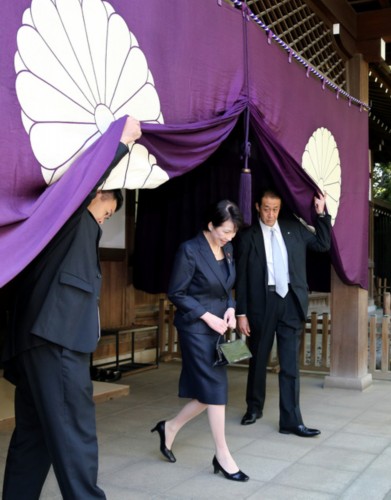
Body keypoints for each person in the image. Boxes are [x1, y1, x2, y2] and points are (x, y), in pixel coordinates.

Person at [2, 116, 142, 499]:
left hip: (35, 339)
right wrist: (122, 143)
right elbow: (84, 182)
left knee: (36, 437)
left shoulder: (51, 222)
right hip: (56, 338)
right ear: (101, 197)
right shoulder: (70, 215)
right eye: (109, 208)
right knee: (75, 438)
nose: (106, 216)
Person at [151, 200, 249, 482]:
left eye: (233, 233)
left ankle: (169, 427)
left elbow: (227, 287)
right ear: (210, 225)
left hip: (219, 327)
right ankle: (223, 455)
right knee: (216, 389)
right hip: (196, 328)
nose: (230, 238)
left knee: (209, 392)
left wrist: (231, 307)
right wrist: (207, 316)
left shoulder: (228, 249)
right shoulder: (189, 250)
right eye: (226, 231)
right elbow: (177, 293)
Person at [235, 188, 331, 437]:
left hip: (290, 300)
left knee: (290, 364)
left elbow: (323, 244)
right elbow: (242, 278)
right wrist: (241, 313)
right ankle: (254, 408)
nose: (270, 214)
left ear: (280, 208)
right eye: (266, 208)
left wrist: (321, 214)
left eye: (275, 209)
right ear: (257, 207)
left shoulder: (293, 228)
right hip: (261, 302)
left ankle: (291, 420)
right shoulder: (247, 236)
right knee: (258, 358)